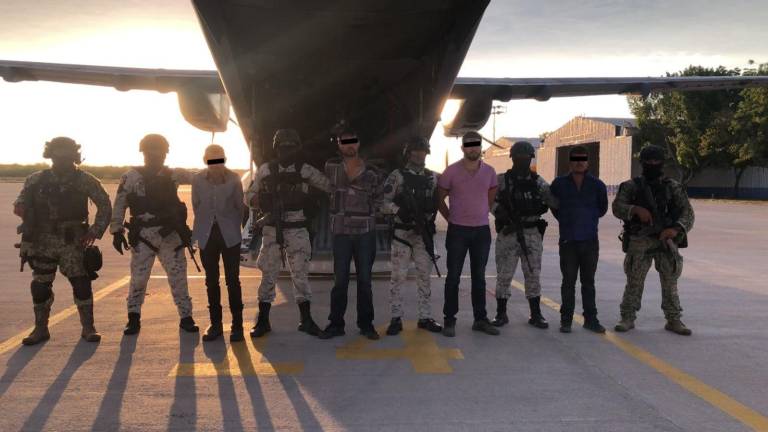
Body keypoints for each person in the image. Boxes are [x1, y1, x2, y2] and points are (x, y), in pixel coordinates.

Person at [14, 137, 111, 345]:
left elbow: (104, 204)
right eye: (59, 157)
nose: (63, 162)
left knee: (82, 283)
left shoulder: (84, 180)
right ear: (51, 156)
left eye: (67, 157)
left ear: (74, 158)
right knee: (40, 285)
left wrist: (95, 230)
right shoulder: (36, 180)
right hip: (42, 241)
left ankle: (88, 327)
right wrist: (22, 210)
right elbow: (20, 202)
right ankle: (40, 328)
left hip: (73, 241)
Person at [111, 134, 199, 334]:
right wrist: (116, 230)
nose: (155, 155)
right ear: (143, 153)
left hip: (170, 235)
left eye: (159, 152)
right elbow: (120, 204)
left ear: (165, 154)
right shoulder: (131, 177)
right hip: (144, 234)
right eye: (150, 151)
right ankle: (133, 317)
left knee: (178, 277)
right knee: (139, 279)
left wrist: (218, 169)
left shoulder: (174, 175)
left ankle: (186, 316)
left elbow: (200, 179)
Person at [247, 129, 331, 338]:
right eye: (283, 148)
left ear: (297, 148)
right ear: (276, 149)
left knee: (300, 276)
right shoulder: (266, 170)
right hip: (272, 228)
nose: (287, 152)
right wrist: (263, 200)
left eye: (291, 148)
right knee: (269, 275)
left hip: (297, 227)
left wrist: (305, 193)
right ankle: (263, 321)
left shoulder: (306, 171)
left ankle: (306, 320)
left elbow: (328, 187)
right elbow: (248, 196)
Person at [612, 144, 694, 336]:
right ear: (642, 163)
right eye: (648, 162)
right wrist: (635, 210)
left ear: (662, 163)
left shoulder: (673, 187)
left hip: (665, 240)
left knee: (670, 281)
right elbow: (617, 207)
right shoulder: (631, 186)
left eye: (656, 161)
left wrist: (674, 229)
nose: (652, 164)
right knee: (634, 280)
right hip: (640, 240)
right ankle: (627, 317)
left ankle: (673, 319)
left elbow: (688, 213)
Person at [319, 129, 383, 340]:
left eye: (352, 142)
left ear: (358, 144)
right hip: (341, 233)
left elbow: (379, 201)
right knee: (340, 281)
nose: (349, 146)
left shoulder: (371, 172)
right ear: (338, 145)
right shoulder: (331, 168)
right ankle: (336, 323)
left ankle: (366, 324)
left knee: (365, 281)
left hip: (365, 233)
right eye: (344, 142)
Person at [437, 131, 499, 337]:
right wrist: (451, 219)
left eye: (476, 145)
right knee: (453, 276)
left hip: (481, 231)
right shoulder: (451, 172)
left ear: (480, 147)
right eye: (469, 145)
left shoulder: (490, 172)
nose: (473, 148)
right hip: (458, 231)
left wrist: (478, 215)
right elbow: (439, 199)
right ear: (463, 148)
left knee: (479, 278)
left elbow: (489, 199)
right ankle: (449, 320)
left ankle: (480, 319)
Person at [379, 137, 443, 336]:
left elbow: (439, 201)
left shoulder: (433, 178)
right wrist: (398, 210)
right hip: (402, 233)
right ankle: (396, 318)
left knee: (424, 277)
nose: (419, 154)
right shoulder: (396, 176)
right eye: (415, 151)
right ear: (408, 153)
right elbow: (382, 202)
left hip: (423, 234)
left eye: (422, 151)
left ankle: (425, 317)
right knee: (398, 278)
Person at [492, 141, 558, 330]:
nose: (522, 160)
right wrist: (499, 211)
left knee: (533, 274)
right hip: (509, 234)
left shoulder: (538, 182)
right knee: (504, 275)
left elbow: (553, 201)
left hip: (531, 233)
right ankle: (501, 313)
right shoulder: (501, 180)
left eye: (525, 157)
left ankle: (535, 314)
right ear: (512, 158)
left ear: (531, 158)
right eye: (519, 157)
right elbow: (488, 200)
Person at [550, 145, 607, 333]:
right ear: (570, 162)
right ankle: (566, 320)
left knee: (588, 282)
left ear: (588, 162)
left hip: (590, 241)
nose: (579, 162)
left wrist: (587, 220)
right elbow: (554, 206)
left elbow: (602, 209)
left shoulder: (597, 185)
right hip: (568, 241)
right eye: (576, 159)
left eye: (583, 159)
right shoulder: (558, 184)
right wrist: (567, 220)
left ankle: (591, 319)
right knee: (568, 282)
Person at [192, 144, 246, 342]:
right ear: (205, 160)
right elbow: (196, 206)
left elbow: (240, 207)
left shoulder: (234, 180)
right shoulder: (197, 179)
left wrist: (231, 227)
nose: (215, 162)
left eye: (219, 158)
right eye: (211, 158)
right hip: (207, 235)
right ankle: (215, 325)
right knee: (211, 281)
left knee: (233, 280)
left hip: (229, 235)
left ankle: (237, 326)